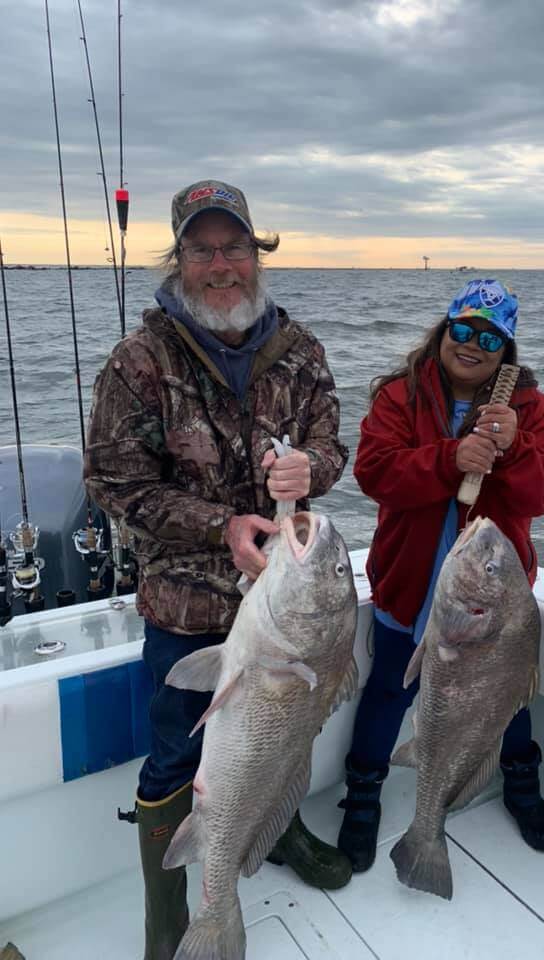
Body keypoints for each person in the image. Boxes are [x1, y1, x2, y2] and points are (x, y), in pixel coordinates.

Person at [84, 180, 352, 960]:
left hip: (290, 601)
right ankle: (171, 918)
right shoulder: (140, 361)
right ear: (180, 259)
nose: (222, 265)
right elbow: (113, 482)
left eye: (235, 247)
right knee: (175, 755)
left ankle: (281, 829)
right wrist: (220, 525)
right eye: (202, 250)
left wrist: (312, 465)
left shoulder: (299, 350)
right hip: (190, 606)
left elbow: (337, 446)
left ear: (256, 253)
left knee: (286, 740)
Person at [337, 278, 544, 872]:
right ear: (443, 331)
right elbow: (374, 473)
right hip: (410, 586)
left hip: (493, 601)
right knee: (389, 690)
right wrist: (449, 458)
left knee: (508, 701)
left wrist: (514, 449)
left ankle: (521, 784)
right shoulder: (399, 396)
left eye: (490, 337)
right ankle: (361, 798)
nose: (472, 344)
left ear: (506, 348)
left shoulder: (530, 408)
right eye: (462, 330)